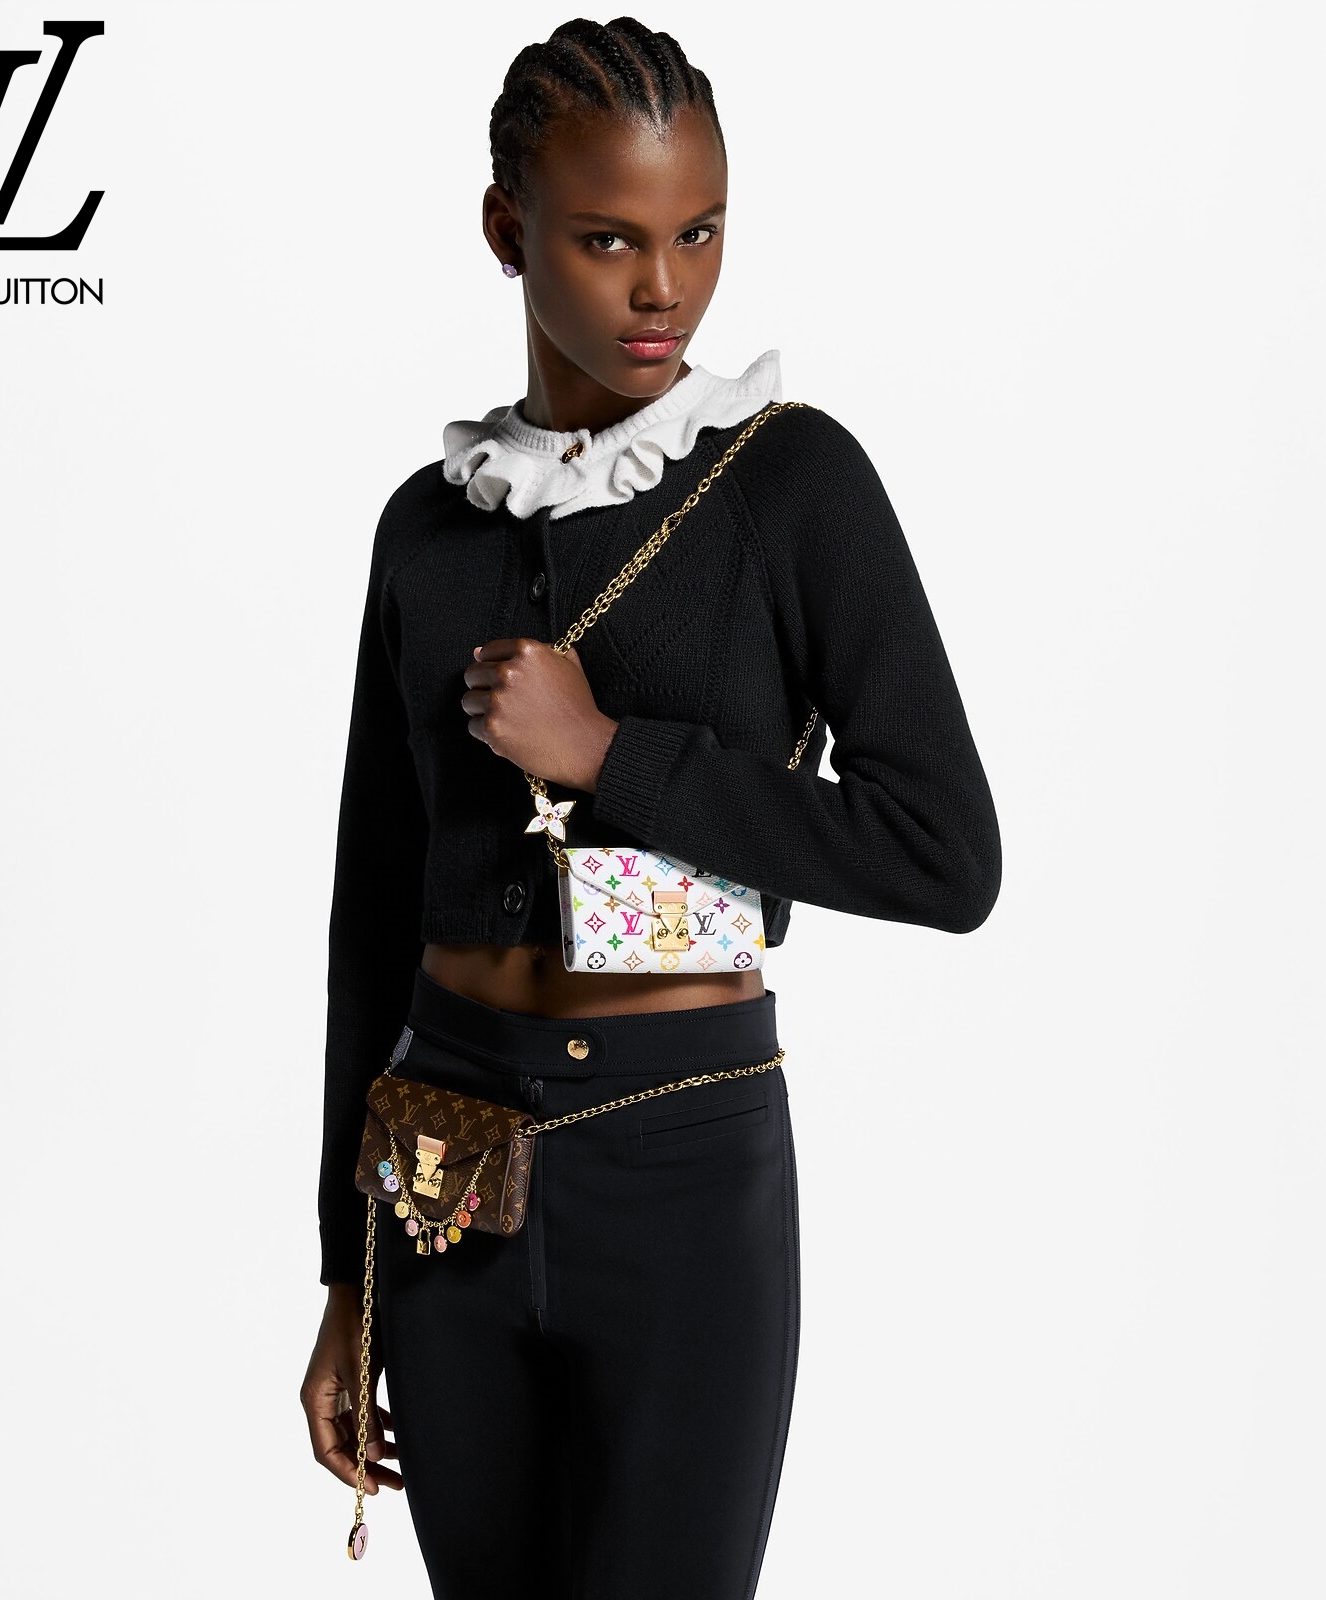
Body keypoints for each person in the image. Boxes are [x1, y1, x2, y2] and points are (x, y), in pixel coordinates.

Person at [299, 16, 1002, 1599]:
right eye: (608, 238)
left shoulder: (789, 484)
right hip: (439, 1162)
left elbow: (947, 853)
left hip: (682, 1155)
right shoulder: (427, 529)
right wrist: (345, 1275)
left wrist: (611, 753)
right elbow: (373, 916)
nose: (664, 287)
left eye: (699, 233)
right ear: (508, 230)